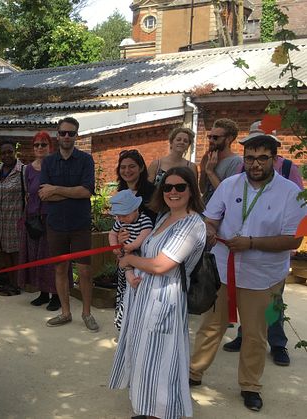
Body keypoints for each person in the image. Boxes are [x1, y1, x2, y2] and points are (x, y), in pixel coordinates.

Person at [189, 135, 305, 412]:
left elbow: (293, 240)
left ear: (274, 159)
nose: (255, 164)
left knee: (255, 334)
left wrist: (251, 243)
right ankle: (194, 372)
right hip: (222, 271)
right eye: (250, 158)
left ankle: (250, 386)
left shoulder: (290, 193)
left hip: (263, 277)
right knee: (211, 326)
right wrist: (210, 231)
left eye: (262, 158)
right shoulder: (229, 185)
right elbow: (211, 219)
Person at [109, 166, 207, 419]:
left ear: (191, 190)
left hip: (166, 298)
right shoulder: (164, 217)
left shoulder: (192, 224)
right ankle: (145, 409)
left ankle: (160, 413)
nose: (173, 192)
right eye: (167, 187)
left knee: (162, 361)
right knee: (144, 355)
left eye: (180, 187)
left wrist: (129, 260)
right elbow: (147, 252)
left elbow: (162, 265)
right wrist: (127, 252)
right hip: (144, 295)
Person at [223, 122, 305, 365]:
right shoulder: (242, 169)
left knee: (273, 303)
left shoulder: (289, 169)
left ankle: (278, 344)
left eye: (262, 152)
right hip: (241, 252)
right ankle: (244, 336)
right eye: (251, 152)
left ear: (273, 149)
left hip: (273, 252)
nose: (255, 161)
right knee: (248, 304)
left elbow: (298, 210)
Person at [40, 117, 99, 331]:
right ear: (58, 135)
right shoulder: (48, 162)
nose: (66, 136)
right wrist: (72, 193)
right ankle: (65, 313)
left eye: (71, 133)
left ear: (77, 135)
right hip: (56, 225)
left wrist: (56, 189)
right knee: (60, 269)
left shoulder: (86, 160)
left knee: (84, 271)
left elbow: (86, 191)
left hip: (80, 224)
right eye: (63, 133)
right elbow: (44, 195)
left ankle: (87, 313)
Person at [18, 132, 59, 310]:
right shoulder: (28, 169)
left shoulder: (56, 166)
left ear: (50, 146)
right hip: (33, 217)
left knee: (52, 257)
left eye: (43, 144)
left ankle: (56, 295)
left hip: (52, 217)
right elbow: (27, 193)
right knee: (37, 256)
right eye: (37, 145)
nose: (40, 148)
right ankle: (43, 293)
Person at [107, 189, 153, 331]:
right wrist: (115, 246)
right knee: (126, 271)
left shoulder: (144, 220)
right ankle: (122, 324)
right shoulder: (121, 221)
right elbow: (112, 234)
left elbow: (145, 233)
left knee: (130, 267)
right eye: (118, 216)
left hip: (138, 254)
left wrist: (132, 245)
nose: (121, 219)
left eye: (124, 215)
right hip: (124, 254)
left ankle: (131, 278)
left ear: (136, 209)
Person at [0, 140, 25, 297]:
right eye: (3, 153)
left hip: (15, 219)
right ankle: (9, 282)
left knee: (15, 252)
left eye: (9, 152)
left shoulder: (22, 171)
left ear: (15, 152)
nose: (7, 155)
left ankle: (17, 285)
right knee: (3, 251)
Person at [199, 118, 244, 203]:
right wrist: (203, 170)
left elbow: (228, 195)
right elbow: (202, 189)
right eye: (210, 137)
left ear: (229, 139)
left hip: (221, 214)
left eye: (215, 138)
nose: (211, 141)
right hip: (205, 210)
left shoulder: (236, 161)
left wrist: (210, 172)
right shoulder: (210, 159)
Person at [116, 149, 157, 223]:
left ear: (141, 168)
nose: (127, 171)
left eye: (132, 166)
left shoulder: (152, 192)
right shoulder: (121, 193)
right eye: (123, 167)